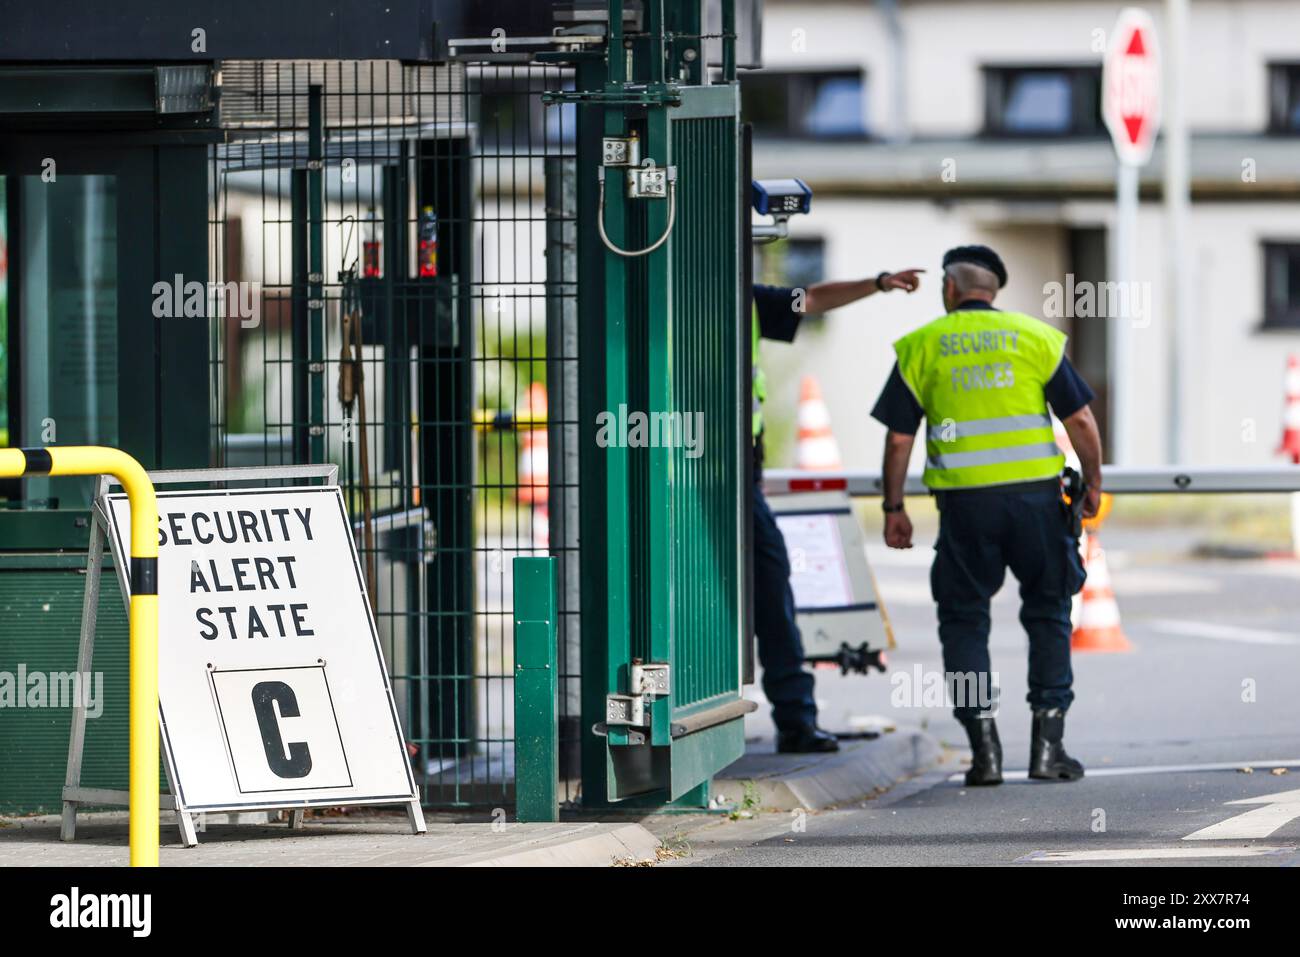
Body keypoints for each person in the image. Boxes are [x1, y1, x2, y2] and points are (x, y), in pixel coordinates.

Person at [869, 245, 1102, 784]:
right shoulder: (1036, 338)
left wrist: (894, 506)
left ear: (950, 287)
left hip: (965, 510)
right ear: (991, 290)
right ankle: (1048, 751)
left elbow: (900, 439)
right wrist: (1093, 482)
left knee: (963, 620)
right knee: (1047, 614)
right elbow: (1082, 421)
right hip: (1039, 505)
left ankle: (985, 753)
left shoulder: (920, 346)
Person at [753, 268, 924, 753]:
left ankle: (795, 720)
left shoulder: (743, 299)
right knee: (761, 593)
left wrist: (877, 283)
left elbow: (810, 300)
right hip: (685, 475)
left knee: (771, 591)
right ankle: (790, 719)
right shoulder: (668, 306)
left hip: (739, 481)